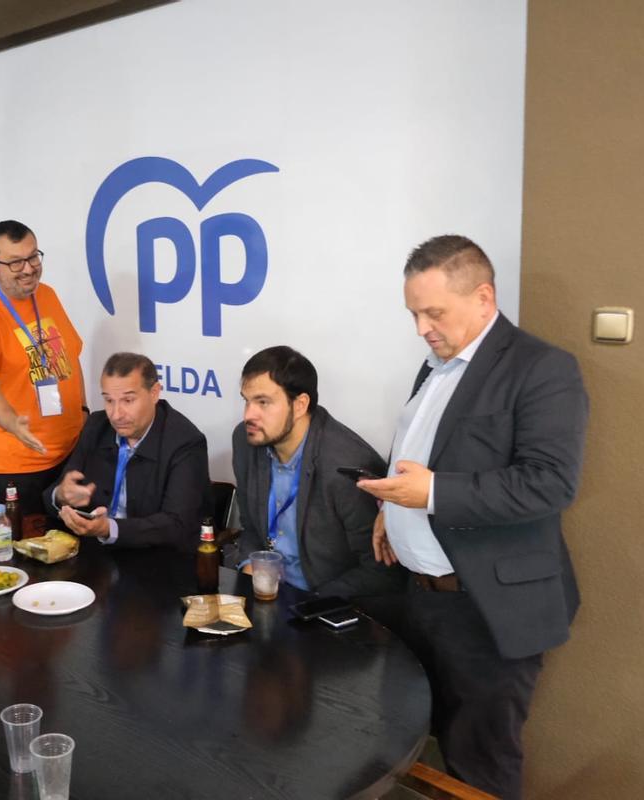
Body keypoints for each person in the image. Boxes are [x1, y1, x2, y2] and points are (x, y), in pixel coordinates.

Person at [358, 235, 588, 799]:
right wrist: (392, 508)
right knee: (415, 745)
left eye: (433, 312)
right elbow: (425, 451)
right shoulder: (433, 367)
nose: (421, 328)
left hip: (486, 610)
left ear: (484, 298)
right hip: (421, 599)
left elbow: (550, 483)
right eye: (413, 313)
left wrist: (431, 493)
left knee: (479, 765)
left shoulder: (543, 368)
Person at [232, 346, 403, 597]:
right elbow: (251, 527)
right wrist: (249, 565)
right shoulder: (246, 440)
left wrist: (312, 604)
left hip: (325, 603)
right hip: (266, 594)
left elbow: (380, 570)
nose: (249, 415)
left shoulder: (347, 465)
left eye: (263, 402)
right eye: (246, 401)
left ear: (300, 405)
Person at [0, 220, 85, 514]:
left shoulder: (47, 295)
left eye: (32, 257)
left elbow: (71, 356)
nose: (29, 269)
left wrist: (83, 412)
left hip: (64, 457)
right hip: (10, 468)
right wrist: (11, 422)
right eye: (16, 263)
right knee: (18, 556)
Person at [46, 353, 209, 549]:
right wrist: (61, 496)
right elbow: (52, 495)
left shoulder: (185, 442)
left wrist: (109, 529)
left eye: (128, 401)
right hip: (95, 552)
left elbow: (176, 524)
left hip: (158, 559)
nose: (116, 414)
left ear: (155, 393)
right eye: (109, 401)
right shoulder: (96, 426)